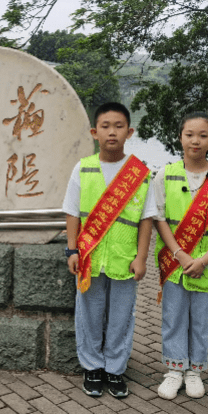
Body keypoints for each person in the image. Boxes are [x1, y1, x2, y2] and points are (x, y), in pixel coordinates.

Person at [143, 112, 208, 399]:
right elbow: (158, 218)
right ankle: (174, 369)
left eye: (203, 135)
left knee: (201, 318)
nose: (195, 141)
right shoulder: (165, 174)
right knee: (173, 316)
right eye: (189, 134)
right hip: (174, 261)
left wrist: (205, 258)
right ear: (180, 137)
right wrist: (180, 254)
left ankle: (195, 371)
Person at [62, 102, 152, 398]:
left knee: (121, 316)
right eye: (105, 126)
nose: (112, 132)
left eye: (118, 126)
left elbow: (147, 219)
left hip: (124, 258)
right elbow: (72, 213)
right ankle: (92, 367)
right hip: (90, 257)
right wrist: (71, 251)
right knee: (89, 313)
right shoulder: (83, 168)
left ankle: (115, 369)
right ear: (94, 132)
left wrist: (141, 258)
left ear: (130, 131)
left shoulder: (140, 173)